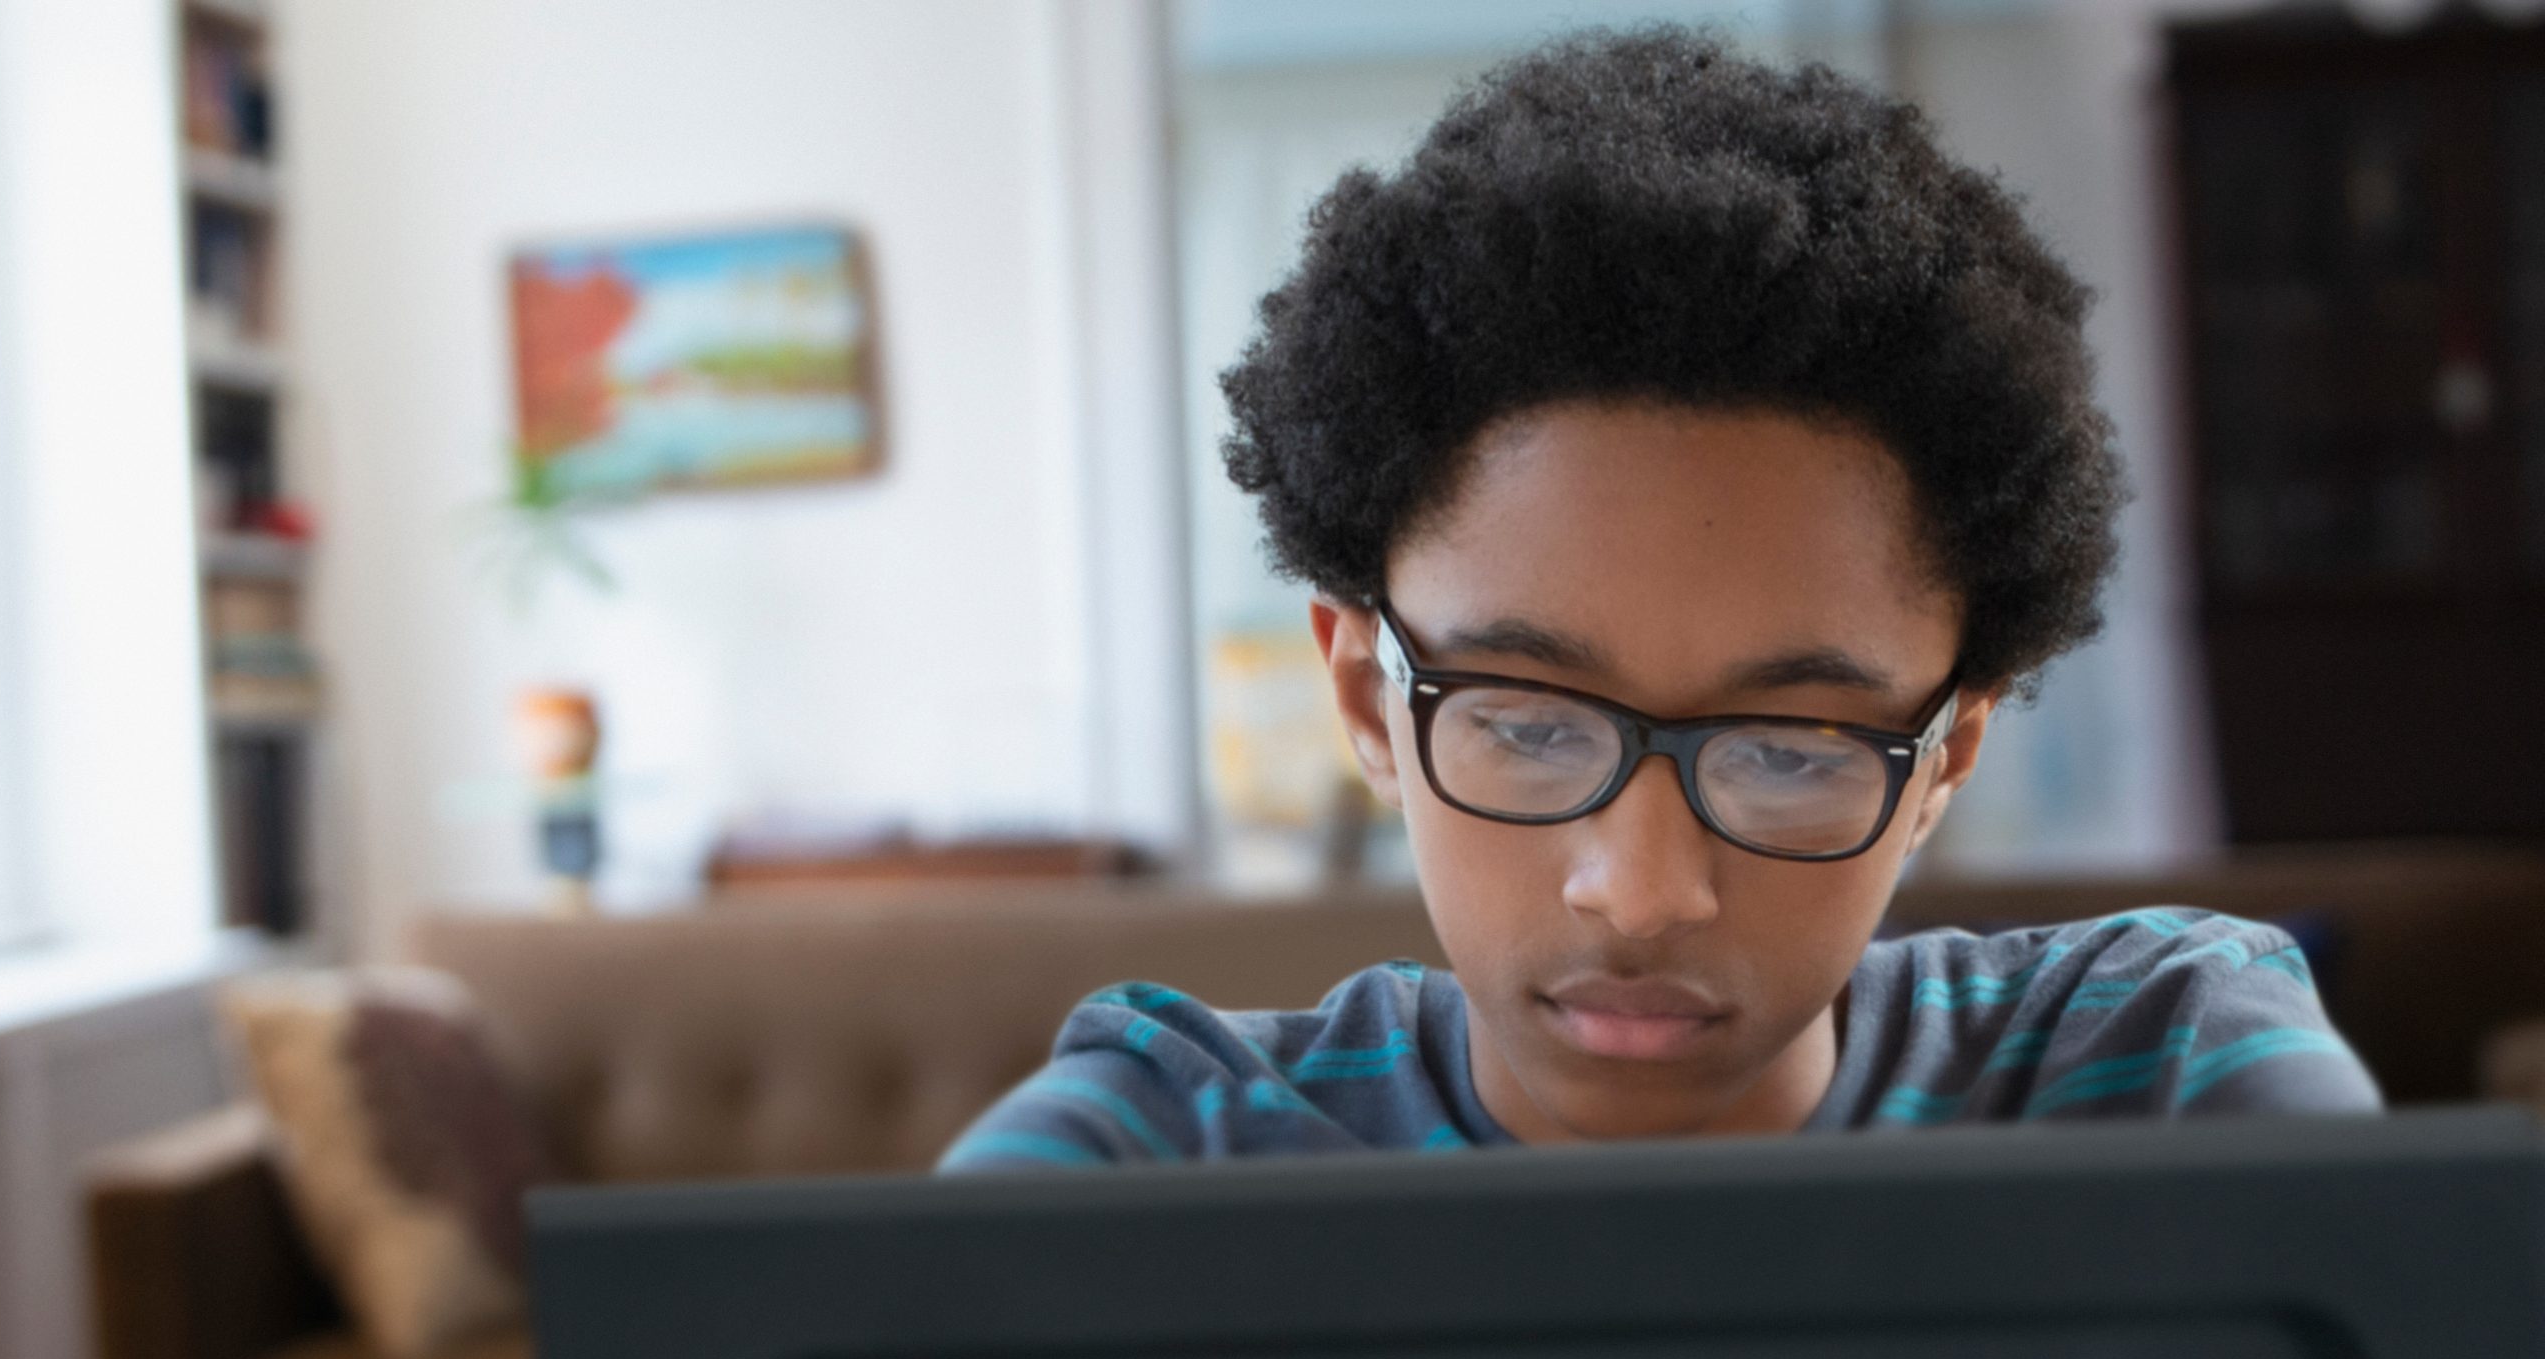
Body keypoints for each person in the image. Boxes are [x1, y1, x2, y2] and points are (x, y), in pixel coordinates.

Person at [939, 28, 2377, 1172]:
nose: (1636, 893)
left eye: (1792, 751)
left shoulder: (2165, 1071)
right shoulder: (1159, 1147)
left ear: (1949, 753)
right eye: (1528, 724)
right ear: (1369, 699)